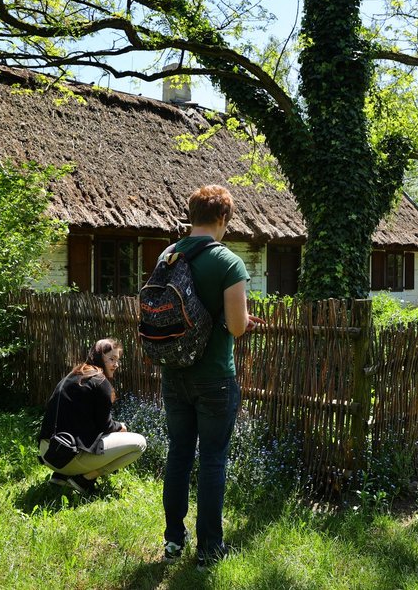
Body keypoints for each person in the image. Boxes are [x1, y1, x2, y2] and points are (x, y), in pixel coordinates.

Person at [160, 184, 263, 569]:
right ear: (222, 219)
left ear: (191, 214)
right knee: (213, 460)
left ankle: (173, 543)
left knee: (179, 455)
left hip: (174, 374)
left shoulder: (168, 255)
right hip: (215, 378)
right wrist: (243, 322)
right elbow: (236, 327)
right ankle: (208, 551)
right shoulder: (228, 262)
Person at [37, 338, 146, 494]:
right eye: (111, 359)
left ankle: (61, 476)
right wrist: (120, 426)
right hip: (67, 456)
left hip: (48, 452)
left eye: (118, 360)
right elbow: (105, 426)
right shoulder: (100, 382)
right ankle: (84, 479)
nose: (116, 364)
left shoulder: (74, 374)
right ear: (98, 357)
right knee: (140, 443)